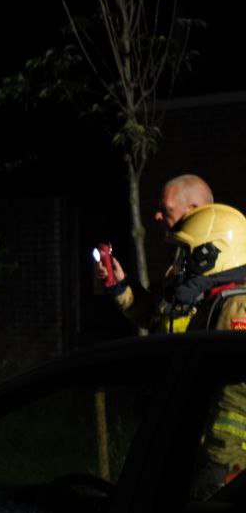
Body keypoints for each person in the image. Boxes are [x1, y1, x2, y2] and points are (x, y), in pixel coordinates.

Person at [157, 204, 246, 495]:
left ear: (210, 256)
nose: (179, 266)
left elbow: (236, 397)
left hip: (230, 467)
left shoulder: (238, 308)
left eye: (187, 255)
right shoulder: (217, 302)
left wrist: (221, 464)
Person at [97, 173, 214, 332]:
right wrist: (121, 284)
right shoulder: (182, 258)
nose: (157, 216)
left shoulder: (221, 262)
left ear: (193, 210)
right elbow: (156, 316)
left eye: (166, 209)